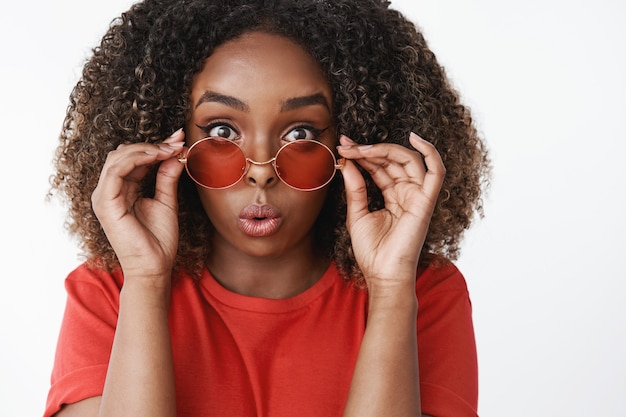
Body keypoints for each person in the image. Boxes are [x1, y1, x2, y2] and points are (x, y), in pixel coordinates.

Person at [44, 0, 490, 416]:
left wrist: (392, 291)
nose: (260, 171)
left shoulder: (423, 293)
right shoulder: (109, 293)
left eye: (299, 133)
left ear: (349, 141)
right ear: (172, 140)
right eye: (222, 129)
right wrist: (144, 280)